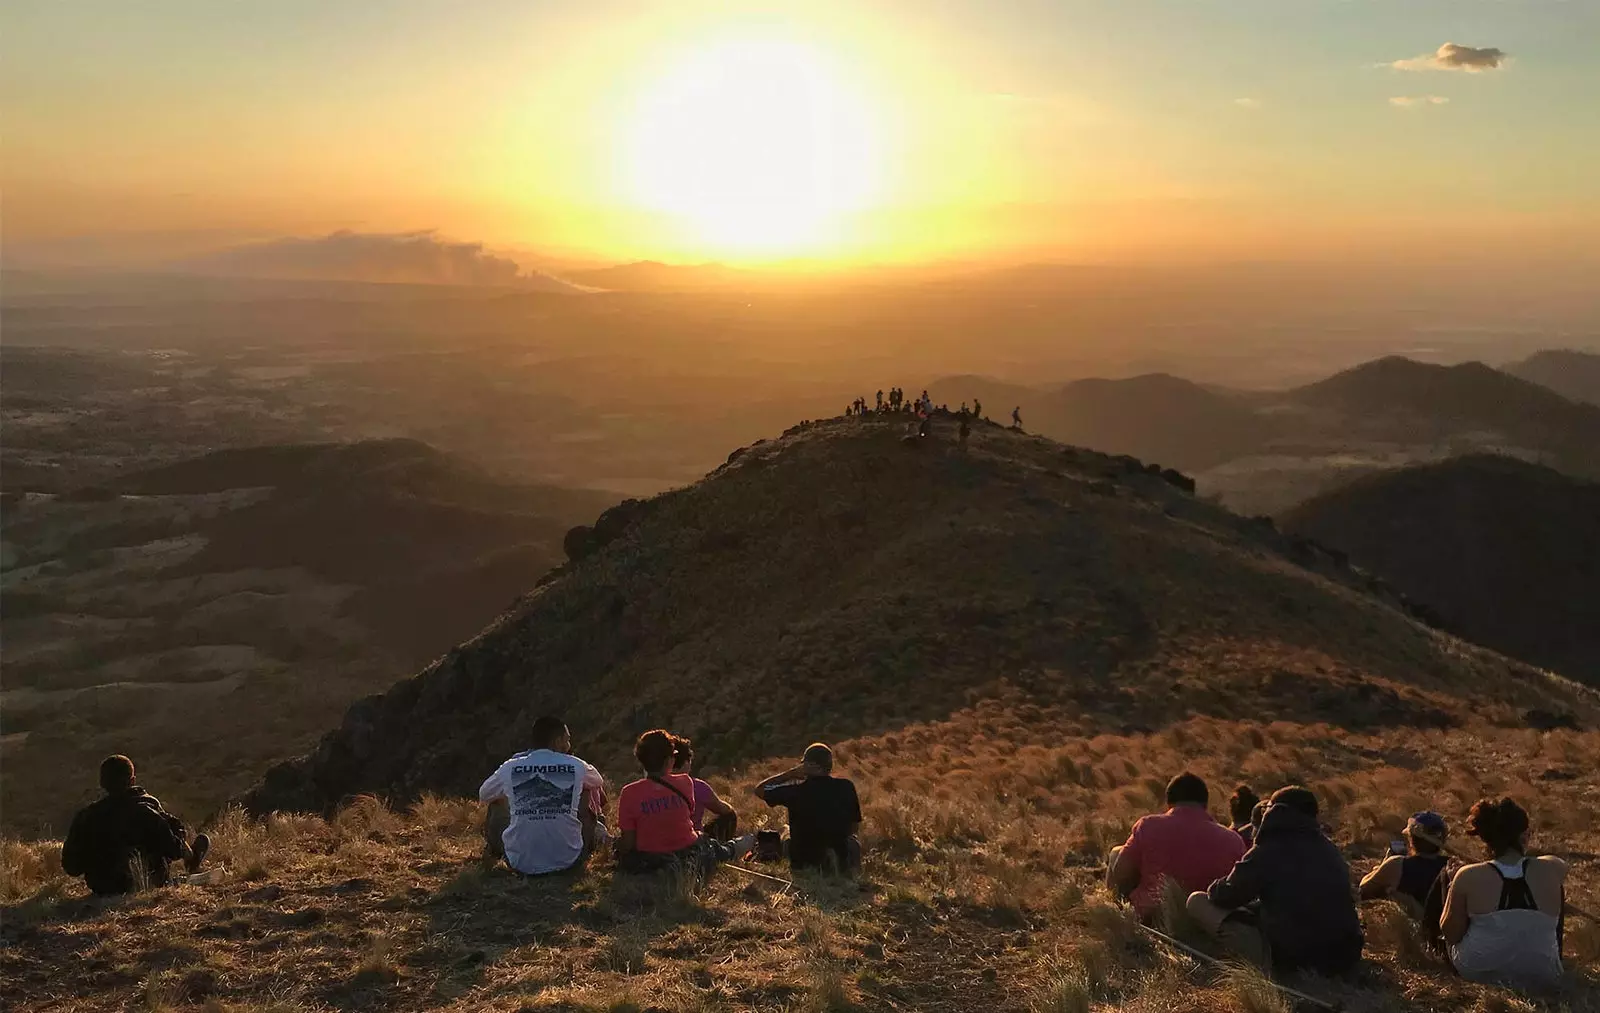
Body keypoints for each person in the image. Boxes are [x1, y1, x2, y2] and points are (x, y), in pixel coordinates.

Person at [1186, 786, 1364, 975]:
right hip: (1343, 958)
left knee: (1196, 901)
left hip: (1291, 957)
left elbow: (1227, 896)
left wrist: (1216, 886)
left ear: (1275, 811)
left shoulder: (1269, 848)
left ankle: (1260, 963)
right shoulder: (1330, 850)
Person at [1441, 797, 1565, 988]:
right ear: (1523, 836)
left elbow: (1451, 934)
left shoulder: (1467, 876)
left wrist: (1452, 884)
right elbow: (1560, 867)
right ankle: (1551, 951)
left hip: (1478, 970)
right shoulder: (1552, 867)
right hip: (1543, 971)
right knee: (1557, 888)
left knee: (1448, 883)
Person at [1107, 773, 1246, 921]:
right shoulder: (1233, 840)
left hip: (1153, 920)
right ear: (1205, 805)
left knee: (1117, 853)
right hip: (1206, 923)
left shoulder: (1148, 826)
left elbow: (1121, 873)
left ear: (1169, 802)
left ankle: (1114, 918)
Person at [62, 755, 209, 895]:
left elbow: (71, 867)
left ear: (102, 783)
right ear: (132, 780)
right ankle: (191, 861)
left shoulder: (86, 816)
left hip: (102, 888)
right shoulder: (145, 810)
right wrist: (172, 825)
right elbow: (174, 850)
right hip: (147, 882)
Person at [479, 715, 607, 876]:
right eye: (566, 740)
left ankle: (496, 849)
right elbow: (597, 781)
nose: (569, 745)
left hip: (520, 862)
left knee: (495, 800)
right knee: (586, 789)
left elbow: (484, 794)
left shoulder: (511, 766)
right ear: (557, 741)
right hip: (570, 860)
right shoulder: (575, 765)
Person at [617, 730, 753, 875]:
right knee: (717, 849)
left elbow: (628, 843)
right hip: (690, 853)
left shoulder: (628, 793)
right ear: (670, 759)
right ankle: (741, 845)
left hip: (651, 861)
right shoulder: (685, 782)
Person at [753, 743, 862, 874]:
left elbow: (759, 790)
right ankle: (844, 868)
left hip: (803, 860)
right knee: (853, 842)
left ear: (810, 766)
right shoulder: (847, 787)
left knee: (785, 831)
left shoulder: (795, 792)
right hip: (838, 852)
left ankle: (813, 864)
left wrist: (789, 774)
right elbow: (854, 827)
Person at [1359, 811, 1450, 912]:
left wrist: (1383, 865)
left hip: (1408, 925)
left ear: (1412, 839)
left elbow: (1364, 888)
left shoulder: (1397, 864)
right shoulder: (1452, 867)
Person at [671, 736, 738, 840]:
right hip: (693, 842)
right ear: (686, 762)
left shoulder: (653, 788)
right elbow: (722, 809)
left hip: (660, 847)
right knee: (730, 816)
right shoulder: (697, 786)